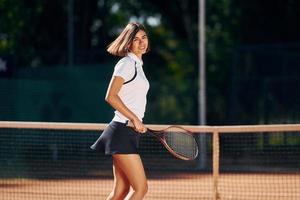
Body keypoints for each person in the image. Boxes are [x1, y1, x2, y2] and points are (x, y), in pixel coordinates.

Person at [90, 22, 150, 200]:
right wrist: (134, 118)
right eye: (136, 39)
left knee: (120, 191)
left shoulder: (138, 66)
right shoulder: (126, 64)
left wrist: (136, 120)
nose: (141, 42)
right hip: (121, 131)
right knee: (141, 188)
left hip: (128, 132)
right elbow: (110, 96)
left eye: (144, 38)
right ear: (128, 43)